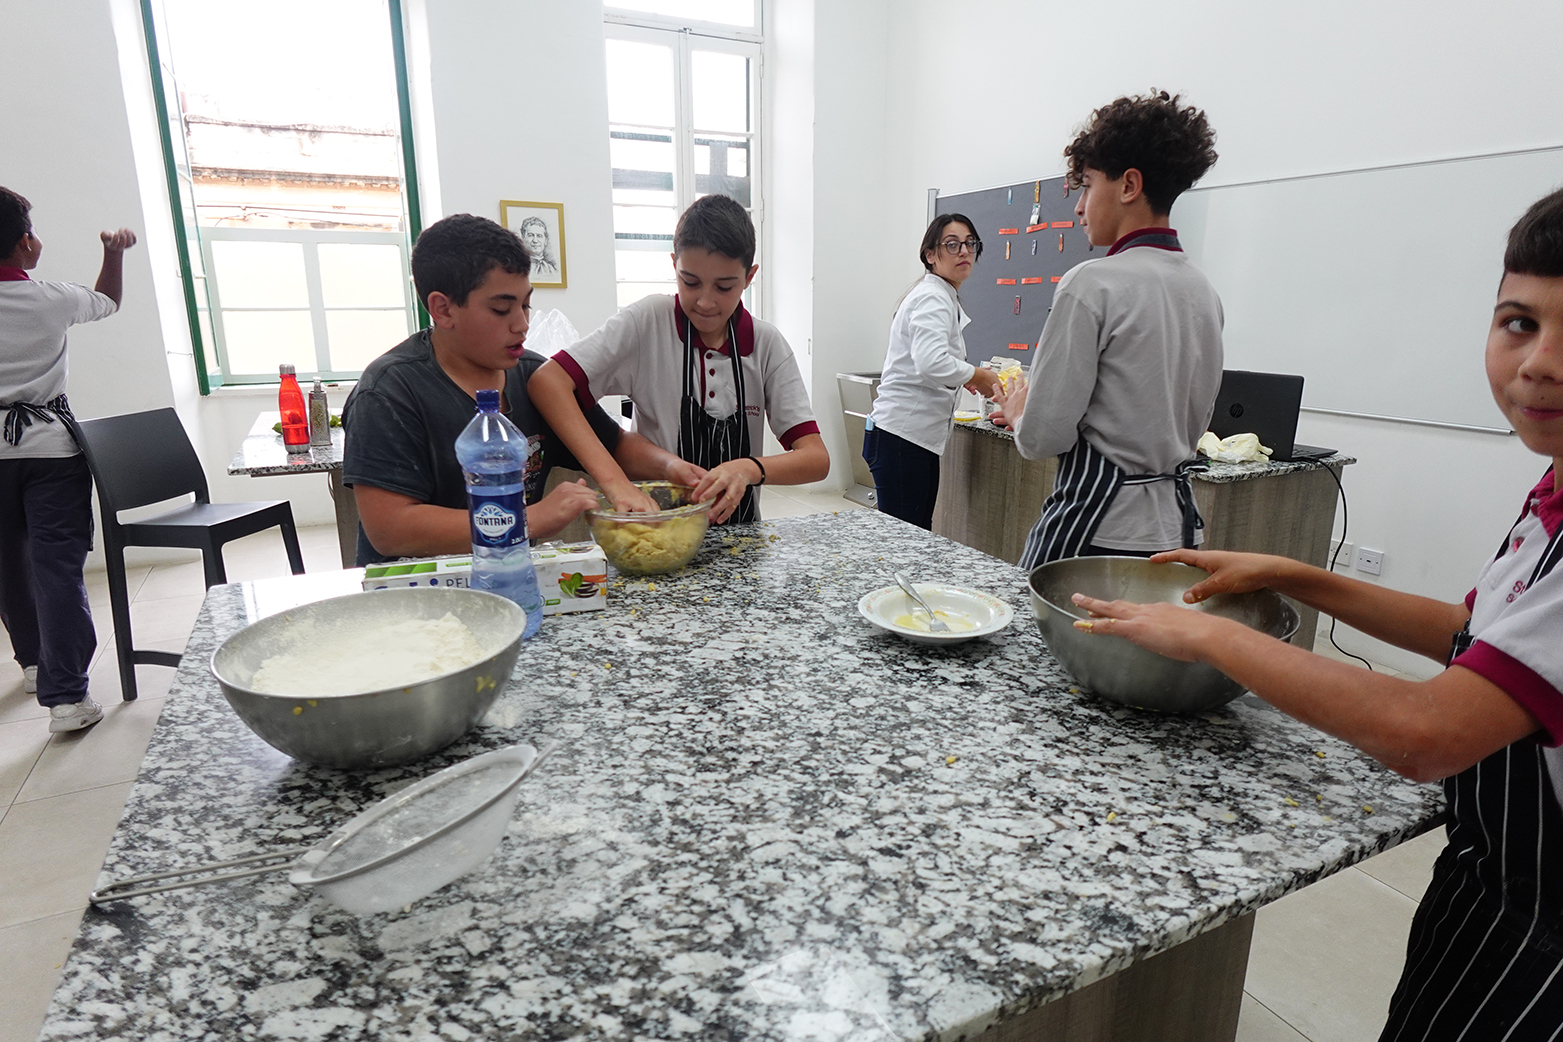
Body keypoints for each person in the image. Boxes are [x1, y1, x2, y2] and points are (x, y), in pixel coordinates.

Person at [1072, 188, 1563, 1040]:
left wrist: (1209, 636)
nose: (1540, 363)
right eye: (1518, 322)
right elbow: (1471, 633)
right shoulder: (1550, 491)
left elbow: (1424, 733)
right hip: (1487, 889)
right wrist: (1296, 575)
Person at [342, 214, 693, 566]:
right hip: (418, 589)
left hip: (511, 576)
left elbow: (614, 444)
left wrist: (672, 467)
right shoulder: (389, 391)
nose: (522, 324)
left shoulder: (534, 377)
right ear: (443, 309)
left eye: (526, 305)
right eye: (501, 309)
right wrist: (528, 519)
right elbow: (390, 529)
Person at [992, 91, 1222, 569]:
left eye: (1088, 186)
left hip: (1097, 529)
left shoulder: (1091, 283)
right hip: (1175, 531)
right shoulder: (1202, 290)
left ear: (1129, 185)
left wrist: (1018, 411)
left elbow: (1042, 438)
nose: (1079, 207)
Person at [528, 194, 828, 524]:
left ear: (749, 277)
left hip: (740, 535)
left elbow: (816, 459)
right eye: (690, 282)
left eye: (724, 287)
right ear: (674, 264)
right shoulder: (647, 323)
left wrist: (750, 468)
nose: (705, 302)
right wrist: (615, 481)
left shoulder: (766, 344)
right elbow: (547, 382)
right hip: (656, 530)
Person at [0, 186, 136, 732]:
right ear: (24, 243)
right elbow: (108, 301)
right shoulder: (50, 298)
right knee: (56, 568)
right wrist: (113, 253)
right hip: (51, 452)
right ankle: (66, 698)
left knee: (7, 564)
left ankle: (34, 663)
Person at [863, 215, 1004, 530]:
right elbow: (930, 360)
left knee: (915, 536)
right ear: (930, 255)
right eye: (952, 245)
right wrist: (975, 376)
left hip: (908, 438)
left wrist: (963, 377)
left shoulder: (940, 294)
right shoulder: (933, 297)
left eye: (970, 243)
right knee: (907, 541)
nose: (964, 251)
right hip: (902, 437)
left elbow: (930, 364)